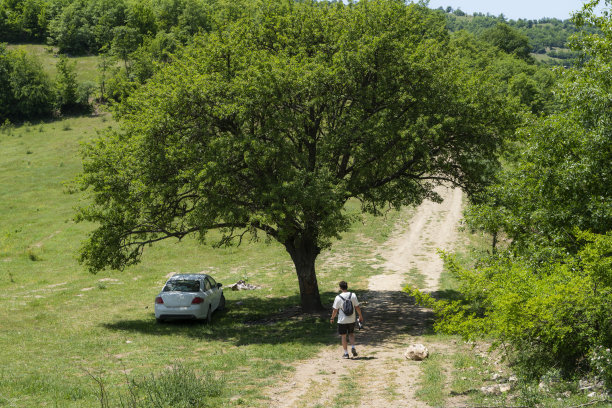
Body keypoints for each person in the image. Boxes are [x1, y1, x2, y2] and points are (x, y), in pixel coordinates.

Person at [330, 280, 364, 359]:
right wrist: (360, 316)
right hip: (351, 319)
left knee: (343, 336)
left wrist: (332, 318)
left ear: (340, 288)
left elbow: (335, 310)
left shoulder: (338, 297)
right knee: (351, 334)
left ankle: (346, 353)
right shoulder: (353, 295)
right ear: (347, 286)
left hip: (342, 320)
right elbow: (357, 307)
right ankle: (352, 347)